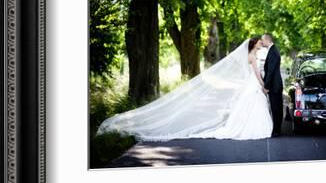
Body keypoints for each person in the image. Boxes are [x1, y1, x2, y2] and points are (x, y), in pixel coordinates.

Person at [95, 37, 273, 141]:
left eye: (260, 42)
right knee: (253, 105)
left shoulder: (251, 54)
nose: (260, 44)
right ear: (253, 45)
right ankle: (248, 129)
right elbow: (256, 73)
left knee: (248, 107)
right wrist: (263, 86)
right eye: (258, 42)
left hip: (250, 84)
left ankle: (242, 127)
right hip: (253, 85)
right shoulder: (252, 56)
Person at [261, 33, 284, 137]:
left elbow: (270, 71)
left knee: (276, 109)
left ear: (267, 39)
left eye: (262, 40)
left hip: (275, 85)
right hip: (275, 85)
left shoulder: (273, 51)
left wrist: (266, 86)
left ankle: (277, 131)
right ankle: (276, 129)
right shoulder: (272, 50)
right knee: (276, 108)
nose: (261, 42)